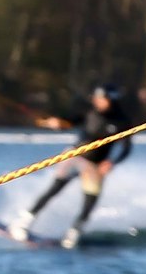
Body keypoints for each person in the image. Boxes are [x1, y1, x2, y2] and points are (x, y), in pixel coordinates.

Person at [8, 84, 138, 248]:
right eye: (96, 99)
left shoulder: (122, 121)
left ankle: (74, 233)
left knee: (90, 201)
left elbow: (126, 149)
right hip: (75, 156)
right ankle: (23, 222)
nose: (97, 102)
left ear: (111, 100)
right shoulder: (89, 113)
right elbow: (70, 121)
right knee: (55, 188)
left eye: (102, 99)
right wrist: (58, 123)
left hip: (95, 165)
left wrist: (112, 162)